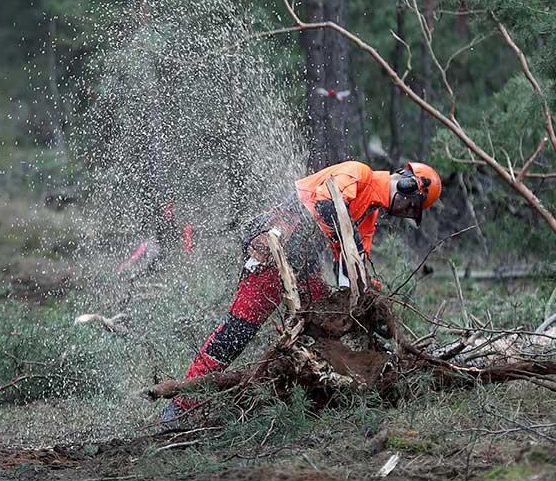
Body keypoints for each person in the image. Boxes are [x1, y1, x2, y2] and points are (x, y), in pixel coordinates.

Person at [160, 160, 442, 429]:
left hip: (303, 265)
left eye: (411, 211)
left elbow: (355, 264)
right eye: (411, 204)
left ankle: (311, 397)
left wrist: (366, 303)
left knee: (322, 324)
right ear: (407, 184)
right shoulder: (359, 173)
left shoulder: (370, 214)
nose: (405, 210)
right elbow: (325, 205)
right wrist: (348, 239)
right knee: (237, 333)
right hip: (274, 249)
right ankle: (180, 406)